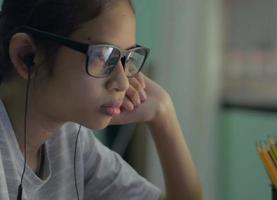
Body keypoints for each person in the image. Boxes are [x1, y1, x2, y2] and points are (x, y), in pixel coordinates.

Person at [0, 0, 203, 199]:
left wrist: (163, 114)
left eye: (127, 58)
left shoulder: (70, 140)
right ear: (27, 55)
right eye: (103, 56)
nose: (123, 83)